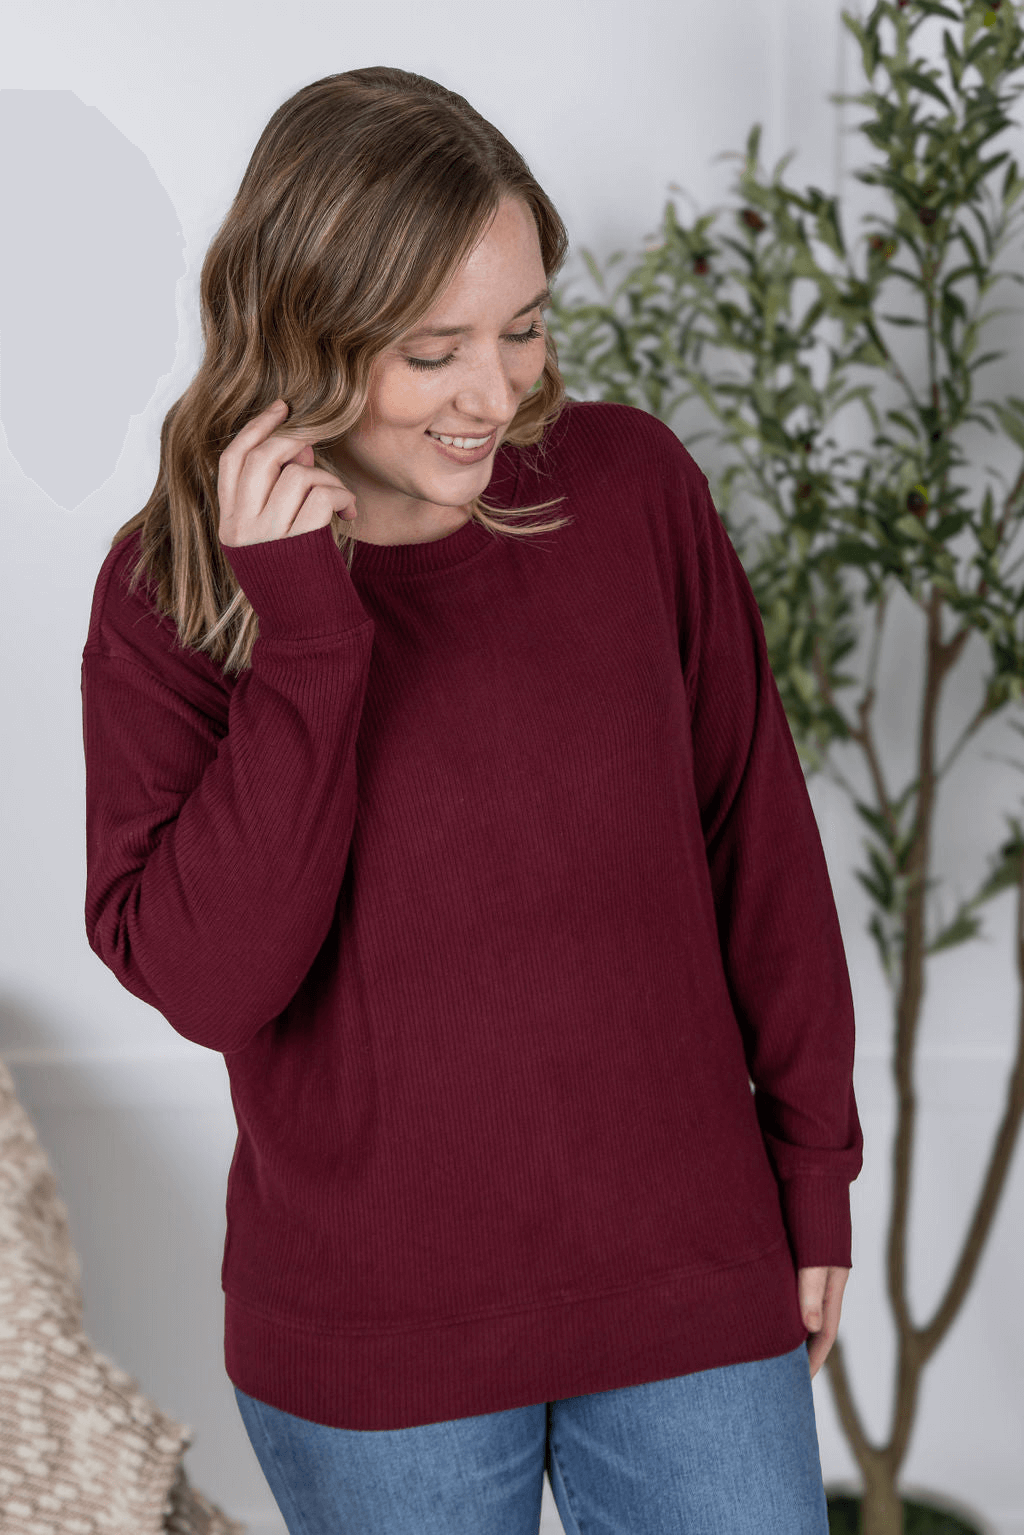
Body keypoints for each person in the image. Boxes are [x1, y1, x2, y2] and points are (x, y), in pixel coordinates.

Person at [81, 66, 863, 1535]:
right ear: (302, 330)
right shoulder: (170, 595)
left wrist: (815, 1163)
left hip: (687, 1281)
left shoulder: (628, 492)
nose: (497, 393)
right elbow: (210, 977)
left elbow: (758, 842)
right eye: (434, 349)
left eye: (523, 328)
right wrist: (308, 637)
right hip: (382, 1347)